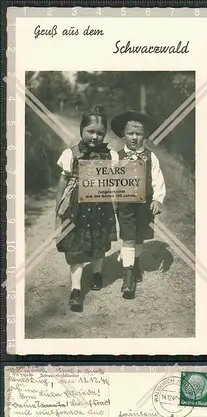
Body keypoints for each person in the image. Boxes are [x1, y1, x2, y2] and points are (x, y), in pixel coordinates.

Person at [55, 105, 117, 311]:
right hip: (76, 207)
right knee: (76, 245)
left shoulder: (111, 156)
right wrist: (58, 206)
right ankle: (75, 289)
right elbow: (63, 182)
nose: (95, 136)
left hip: (101, 205)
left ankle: (97, 273)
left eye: (100, 133)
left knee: (99, 239)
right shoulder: (70, 154)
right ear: (81, 130)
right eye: (90, 131)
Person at [110, 110, 166, 299]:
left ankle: (135, 264)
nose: (134, 137)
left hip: (145, 204)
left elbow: (157, 179)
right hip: (125, 204)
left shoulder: (151, 157)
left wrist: (158, 198)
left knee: (139, 236)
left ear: (145, 135)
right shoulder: (116, 157)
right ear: (123, 134)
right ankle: (128, 276)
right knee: (128, 236)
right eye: (130, 133)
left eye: (139, 134)